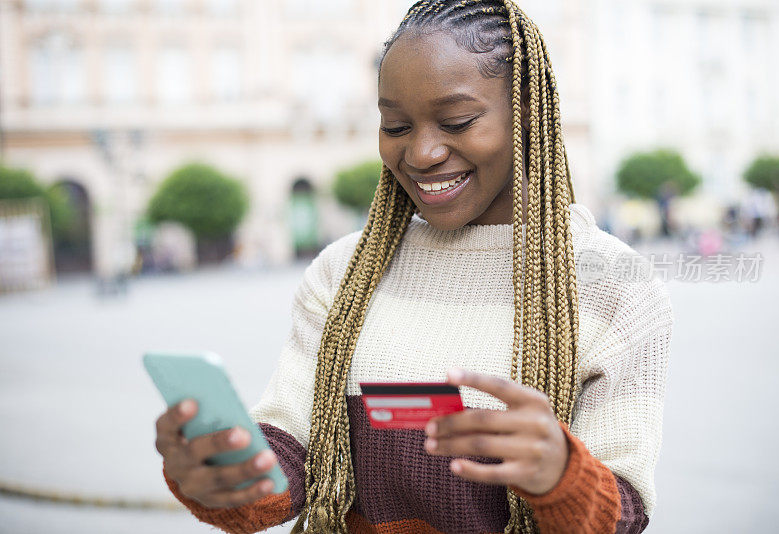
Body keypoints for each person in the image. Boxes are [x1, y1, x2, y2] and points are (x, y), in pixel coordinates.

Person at [154, 1, 673, 532]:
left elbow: (621, 515)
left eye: (457, 121)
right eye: (396, 126)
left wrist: (561, 474)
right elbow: (291, 462)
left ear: (528, 113)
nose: (421, 152)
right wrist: (222, 476)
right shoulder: (343, 273)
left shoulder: (616, 286)